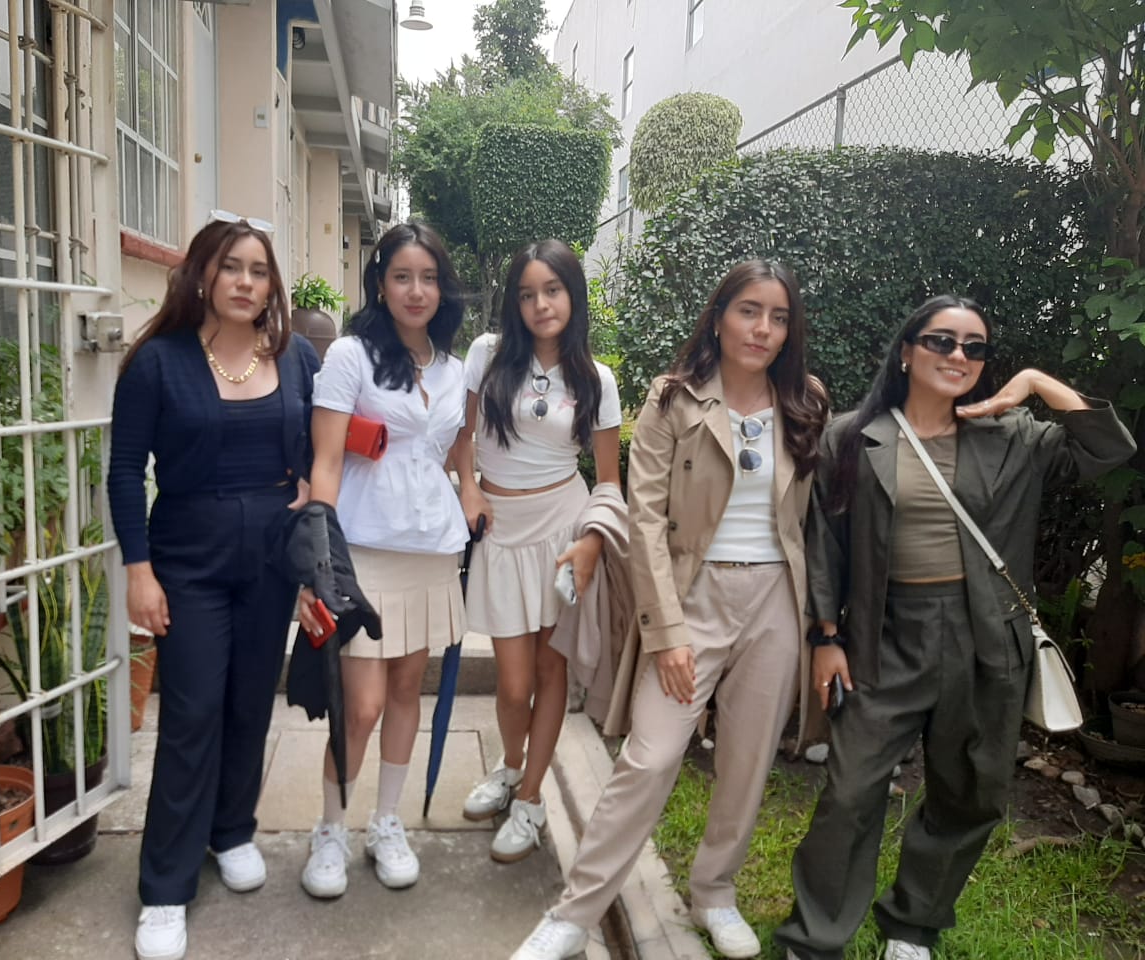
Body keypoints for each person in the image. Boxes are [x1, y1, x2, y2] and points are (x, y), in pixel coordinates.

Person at [774, 295, 1136, 960]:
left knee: (969, 792)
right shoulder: (853, 436)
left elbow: (1110, 449)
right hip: (883, 641)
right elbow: (825, 540)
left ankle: (914, 926)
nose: (959, 357)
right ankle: (816, 934)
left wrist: (1032, 386)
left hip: (987, 642)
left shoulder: (1016, 440)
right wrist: (825, 638)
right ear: (907, 351)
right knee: (850, 792)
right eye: (942, 341)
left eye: (975, 348)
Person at [513, 259, 829, 960]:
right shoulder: (673, 398)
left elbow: (816, 524)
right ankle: (575, 913)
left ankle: (715, 891)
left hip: (776, 599)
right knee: (650, 759)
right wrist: (668, 633)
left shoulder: (805, 399)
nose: (763, 329)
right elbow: (645, 519)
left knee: (746, 762)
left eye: (778, 317)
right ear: (719, 316)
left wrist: (822, 627)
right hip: (691, 595)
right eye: (750, 310)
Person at [108, 212, 319, 960]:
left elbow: (323, 442)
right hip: (187, 556)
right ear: (202, 273)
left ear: (272, 286)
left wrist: (310, 491)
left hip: (269, 556)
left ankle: (231, 830)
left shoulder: (294, 359)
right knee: (192, 710)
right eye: (232, 266)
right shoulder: (158, 362)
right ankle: (165, 886)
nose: (245, 282)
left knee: (249, 700)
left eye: (259, 271)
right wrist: (139, 571)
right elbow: (124, 471)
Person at [296, 221, 467, 900]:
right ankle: (331, 828)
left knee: (404, 694)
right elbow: (327, 459)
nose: (416, 290)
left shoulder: (454, 368)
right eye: (402, 276)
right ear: (380, 283)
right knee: (360, 705)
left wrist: (474, 488)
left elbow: (456, 448)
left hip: (431, 547)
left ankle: (386, 822)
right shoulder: (349, 355)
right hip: (362, 546)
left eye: (428, 277)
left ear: (442, 287)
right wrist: (321, 560)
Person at [453, 239, 623, 863]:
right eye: (526, 294)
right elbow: (461, 435)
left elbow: (608, 479)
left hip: (562, 531)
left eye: (551, 290)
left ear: (573, 296)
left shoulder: (596, 379)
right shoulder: (488, 355)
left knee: (551, 672)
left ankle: (530, 798)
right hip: (501, 529)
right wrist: (469, 488)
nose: (540, 304)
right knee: (511, 681)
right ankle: (511, 763)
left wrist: (592, 543)